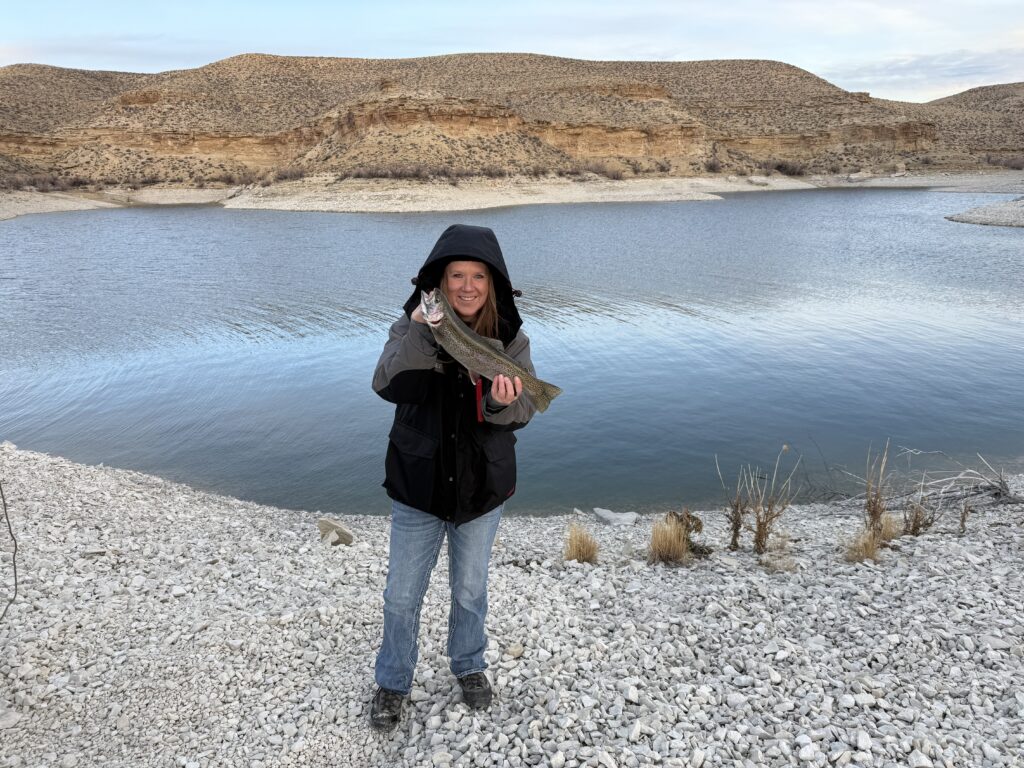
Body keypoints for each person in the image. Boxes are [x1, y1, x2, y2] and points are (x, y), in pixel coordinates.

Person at [369, 224, 540, 732]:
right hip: (418, 485)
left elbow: (523, 410)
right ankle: (393, 681)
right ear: (439, 285)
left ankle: (468, 665)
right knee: (401, 595)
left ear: (493, 283)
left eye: (478, 276)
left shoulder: (511, 338)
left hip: (480, 488)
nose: (467, 286)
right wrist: (422, 330)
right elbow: (388, 385)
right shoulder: (410, 328)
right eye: (456, 276)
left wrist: (501, 404)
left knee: (470, 591)